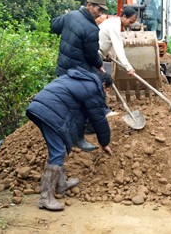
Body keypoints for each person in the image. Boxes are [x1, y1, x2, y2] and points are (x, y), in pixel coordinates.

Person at [26, 68, 114, 211]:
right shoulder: (93, 89)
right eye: (108, 91)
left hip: (40, 106)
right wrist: (104, 142)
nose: (106, 94)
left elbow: (79, 114)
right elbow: (98, 119)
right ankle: (45, 198)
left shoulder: (80, 79)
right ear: (104, 85)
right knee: (58, 151)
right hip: (50, 111)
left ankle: (61, 184)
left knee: (58, 147)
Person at [51, 0, 108, 151]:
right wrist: (99, 64)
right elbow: (91, 55)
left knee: (68, 102)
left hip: (63, 68)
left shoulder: (71, 16)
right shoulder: (91, 29)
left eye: (102, 10)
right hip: (77, 73)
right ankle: (80, 135)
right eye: (98, 9)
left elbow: (54, 25)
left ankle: (66, 129)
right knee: (89, 95)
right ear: (89, 5)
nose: (100, 13)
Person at [99, 6, 138, 76]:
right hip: (95, 55)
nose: (130, 25)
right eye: (130, 21)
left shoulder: (112, 22)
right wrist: (128, 67)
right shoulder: (114, 26)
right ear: (124, 16)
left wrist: (107, 52)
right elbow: (119, 48)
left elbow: (105, 39)